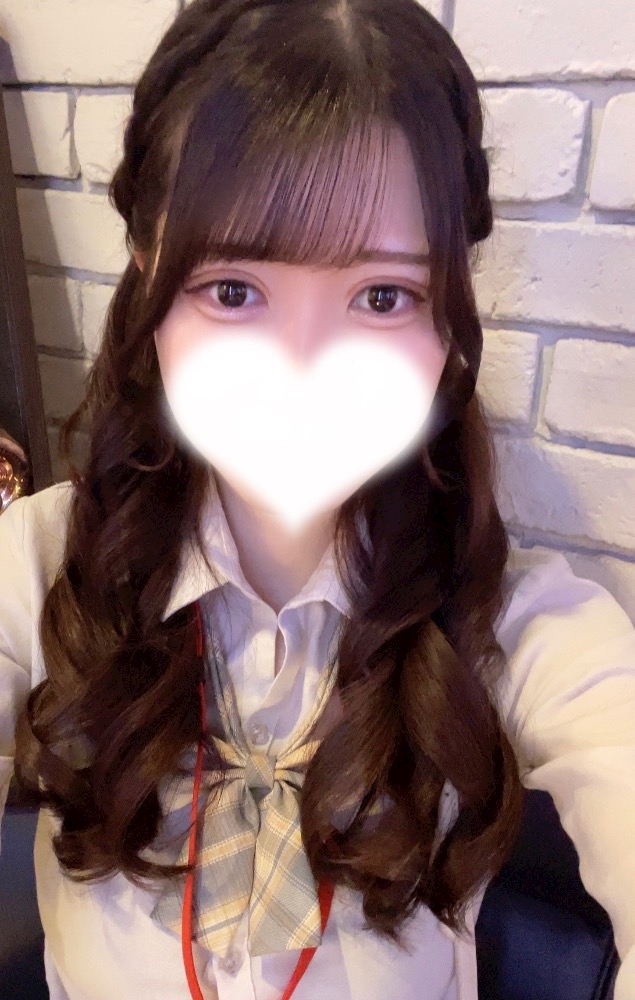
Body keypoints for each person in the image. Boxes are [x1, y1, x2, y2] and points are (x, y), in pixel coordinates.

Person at [1, 1, 634, 998]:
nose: (301, 373)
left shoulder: (510, 618)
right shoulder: (36, 566)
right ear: (146, 273)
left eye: (380, 297)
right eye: (233, 291)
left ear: (447, 315)